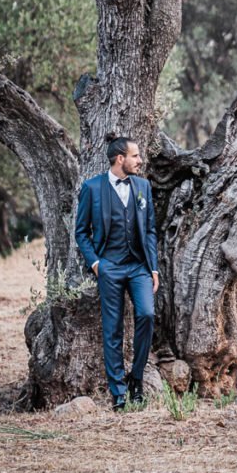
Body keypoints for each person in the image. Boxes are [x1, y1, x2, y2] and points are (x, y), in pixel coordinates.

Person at [75, 135, 159, 411]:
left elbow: (149, 230)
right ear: (120, 159)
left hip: (139, 266)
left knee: (146, 314)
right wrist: (96, 263)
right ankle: (118, 391)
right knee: (112, 330)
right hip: (109, 266)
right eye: (135, 156)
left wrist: (153, 267)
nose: (140, 160)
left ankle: (136, 379)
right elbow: (81, 232)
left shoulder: (143, 187)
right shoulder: (92, 188)